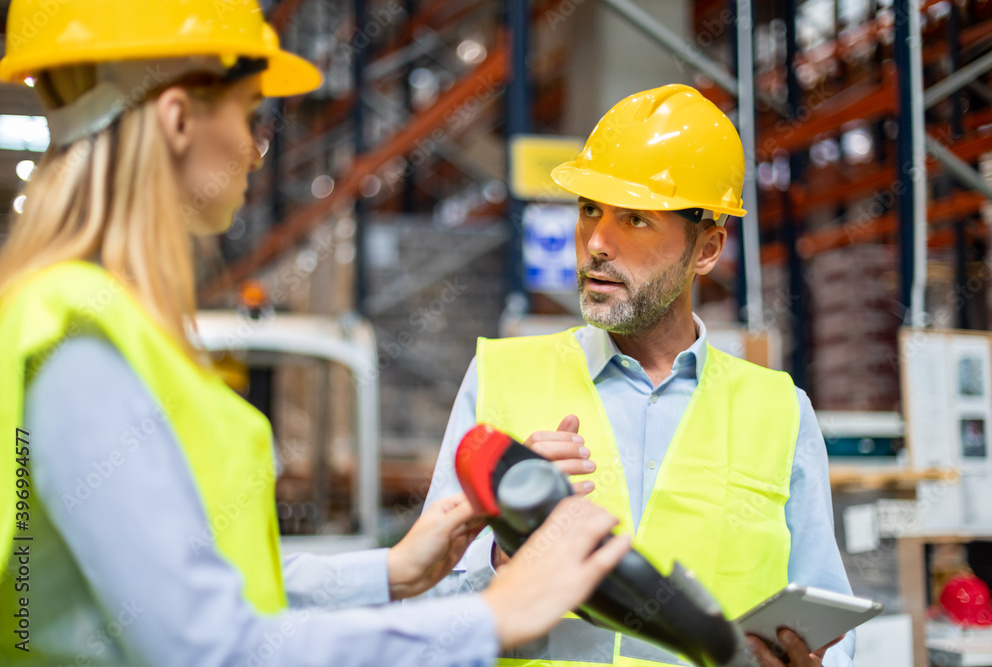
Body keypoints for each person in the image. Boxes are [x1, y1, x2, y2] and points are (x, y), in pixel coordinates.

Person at [0, 1, 633, 665]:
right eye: (249, 117)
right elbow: (212, 646)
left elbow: (200, 589)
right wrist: (493, 617)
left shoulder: (94, 322)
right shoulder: (80, 339)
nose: (256, 148)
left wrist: (390, 571)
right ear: (179, 118)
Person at [422, 84, 856, 667]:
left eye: (634, 219)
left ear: (706, 249)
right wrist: (502, 551)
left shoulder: (779, 411)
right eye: (589, 211)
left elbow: (828, 618)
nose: (597, 243)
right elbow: (426, 601)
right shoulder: (500, 378)